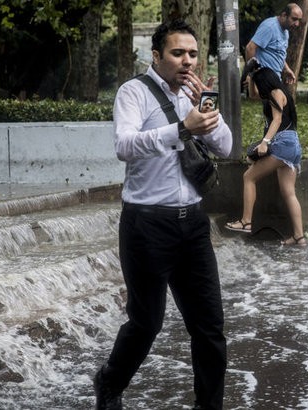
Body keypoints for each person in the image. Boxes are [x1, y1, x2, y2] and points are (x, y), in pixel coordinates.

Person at [94, 20, 232, 410]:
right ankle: (108, 382)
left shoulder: (193, 95)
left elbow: (224, 146)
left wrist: (208, 109)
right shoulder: (133, 92)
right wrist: (180, 128)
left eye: (192, 53)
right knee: (146, 323)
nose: (186, 61)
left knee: (209, 328)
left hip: (192, 224)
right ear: (157, 56)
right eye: (177, 53)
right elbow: (124, 145)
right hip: (146, 224)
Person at [225, 67, 306, 246]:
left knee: (248, 177)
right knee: (289, 192)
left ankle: (246, 221)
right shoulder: (278, 92)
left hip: (282, 143)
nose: (257, 88)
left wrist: (265, 142)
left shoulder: (276, 93)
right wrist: (251, 78)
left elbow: (276, 120)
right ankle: (299, 237)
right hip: (292, 145)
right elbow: (255, 96)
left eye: (258, 84)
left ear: (265, 83)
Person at [245, 3, 303, 84]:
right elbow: (250, 48)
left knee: (285, 97)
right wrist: (251, 75)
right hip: (264, 79)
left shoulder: (286, 30)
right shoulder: (270, 27)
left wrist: (287, 69)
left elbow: (278, 53)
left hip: (275, 78)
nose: (297, 24)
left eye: (299, 20)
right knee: (284, 97)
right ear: (284, 15)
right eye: (294, 19)